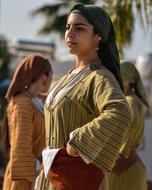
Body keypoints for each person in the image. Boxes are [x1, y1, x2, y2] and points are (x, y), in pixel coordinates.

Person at [40, 3, 131, 190]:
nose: (70, 33)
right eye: (68, 27)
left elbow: (120, 112)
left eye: (79, 28)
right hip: (55, 176)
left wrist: (79, 143)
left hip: (77, 179)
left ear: (98, 37)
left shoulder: (99, 77)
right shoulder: (67, 77)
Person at [2, 54, 52, 190]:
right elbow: (21, 148)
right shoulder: (22, 103)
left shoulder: (39, 101)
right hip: (24, 181)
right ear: (43, 76)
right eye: (50, 74)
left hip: (37, 177)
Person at [109, 60, 149, 190]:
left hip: (123, 169)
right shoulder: (130, 101)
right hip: (128, 167)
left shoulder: (130, 102)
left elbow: (127, 132)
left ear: (127, 80)